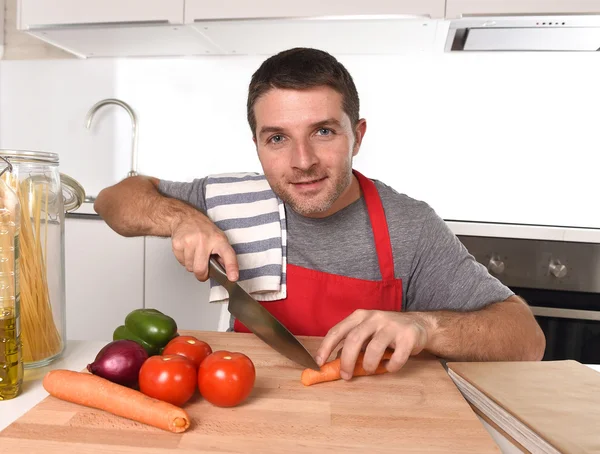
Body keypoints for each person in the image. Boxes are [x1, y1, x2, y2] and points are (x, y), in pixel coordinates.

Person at [94, 47, 546, 380]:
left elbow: (527, 340)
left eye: (323, 131)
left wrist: (424, 325)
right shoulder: (230, 200)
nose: (303, 160)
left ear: (358, 135)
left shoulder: (409, 226)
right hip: (247, 402)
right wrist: (180, 219)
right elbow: (112, 201)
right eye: (277, 138)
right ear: (256, 145)